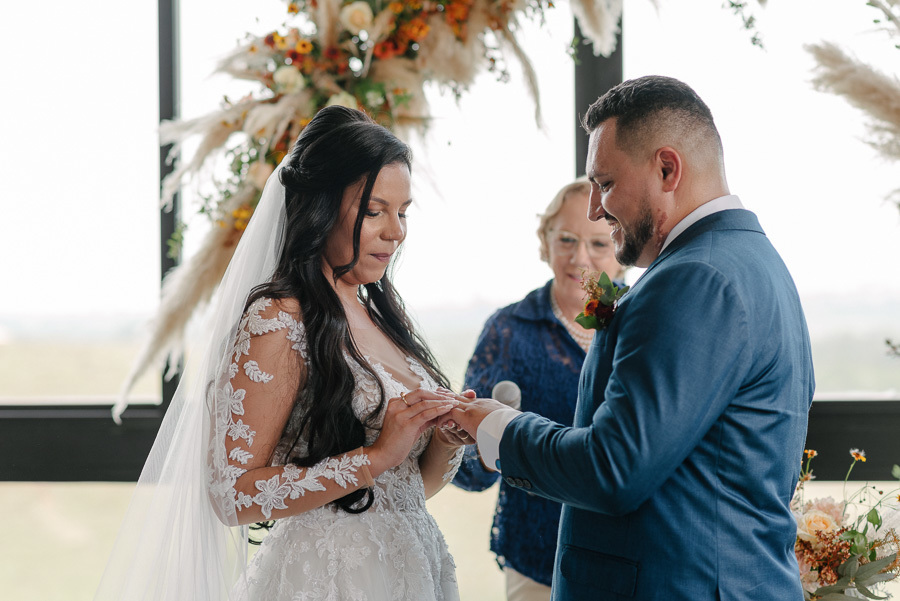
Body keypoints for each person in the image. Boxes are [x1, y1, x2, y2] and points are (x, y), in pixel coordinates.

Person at [451, 75, 815, 600]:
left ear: (667, 169)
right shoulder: (753, 261)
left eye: (605, 183)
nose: (596, 209)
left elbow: (612, 468)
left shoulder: (693, 279)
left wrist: (498, 426)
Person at [94, 106, 469, 601]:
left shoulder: (382, 317)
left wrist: (443, 439)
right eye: (375, 211)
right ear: (321, 207)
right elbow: (231, 495)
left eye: (403, 212)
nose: (395, 231)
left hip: (411, 572)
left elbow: (406, 491)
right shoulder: (280, 319)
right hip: (327, 580)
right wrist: (377, 454)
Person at [451, 178, 624, 600]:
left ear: (621, 248)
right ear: (545, 242)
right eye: (566, 239)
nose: (579, 257)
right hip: (536, 559)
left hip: (628, 556)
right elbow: (468, 468)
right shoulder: (509, 329)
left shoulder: (641, 324)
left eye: (598, 244)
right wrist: (482, 438)